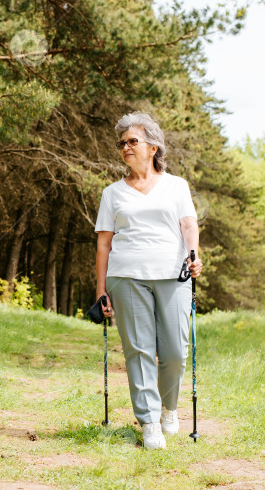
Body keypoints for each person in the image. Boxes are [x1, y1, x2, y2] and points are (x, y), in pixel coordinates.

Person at [94, 111, 203, 450]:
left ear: (153, 146)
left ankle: (169, 407)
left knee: (174, 352)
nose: (126, 147)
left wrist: (194, 253)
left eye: (133, 141)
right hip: (125, 277)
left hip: (173, 275)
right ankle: (149, 423)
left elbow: (188, 226)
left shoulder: (176, 186)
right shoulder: (113, 193)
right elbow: (104, 242)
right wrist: (100, 289)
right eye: (122, 143)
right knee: (138, 351)